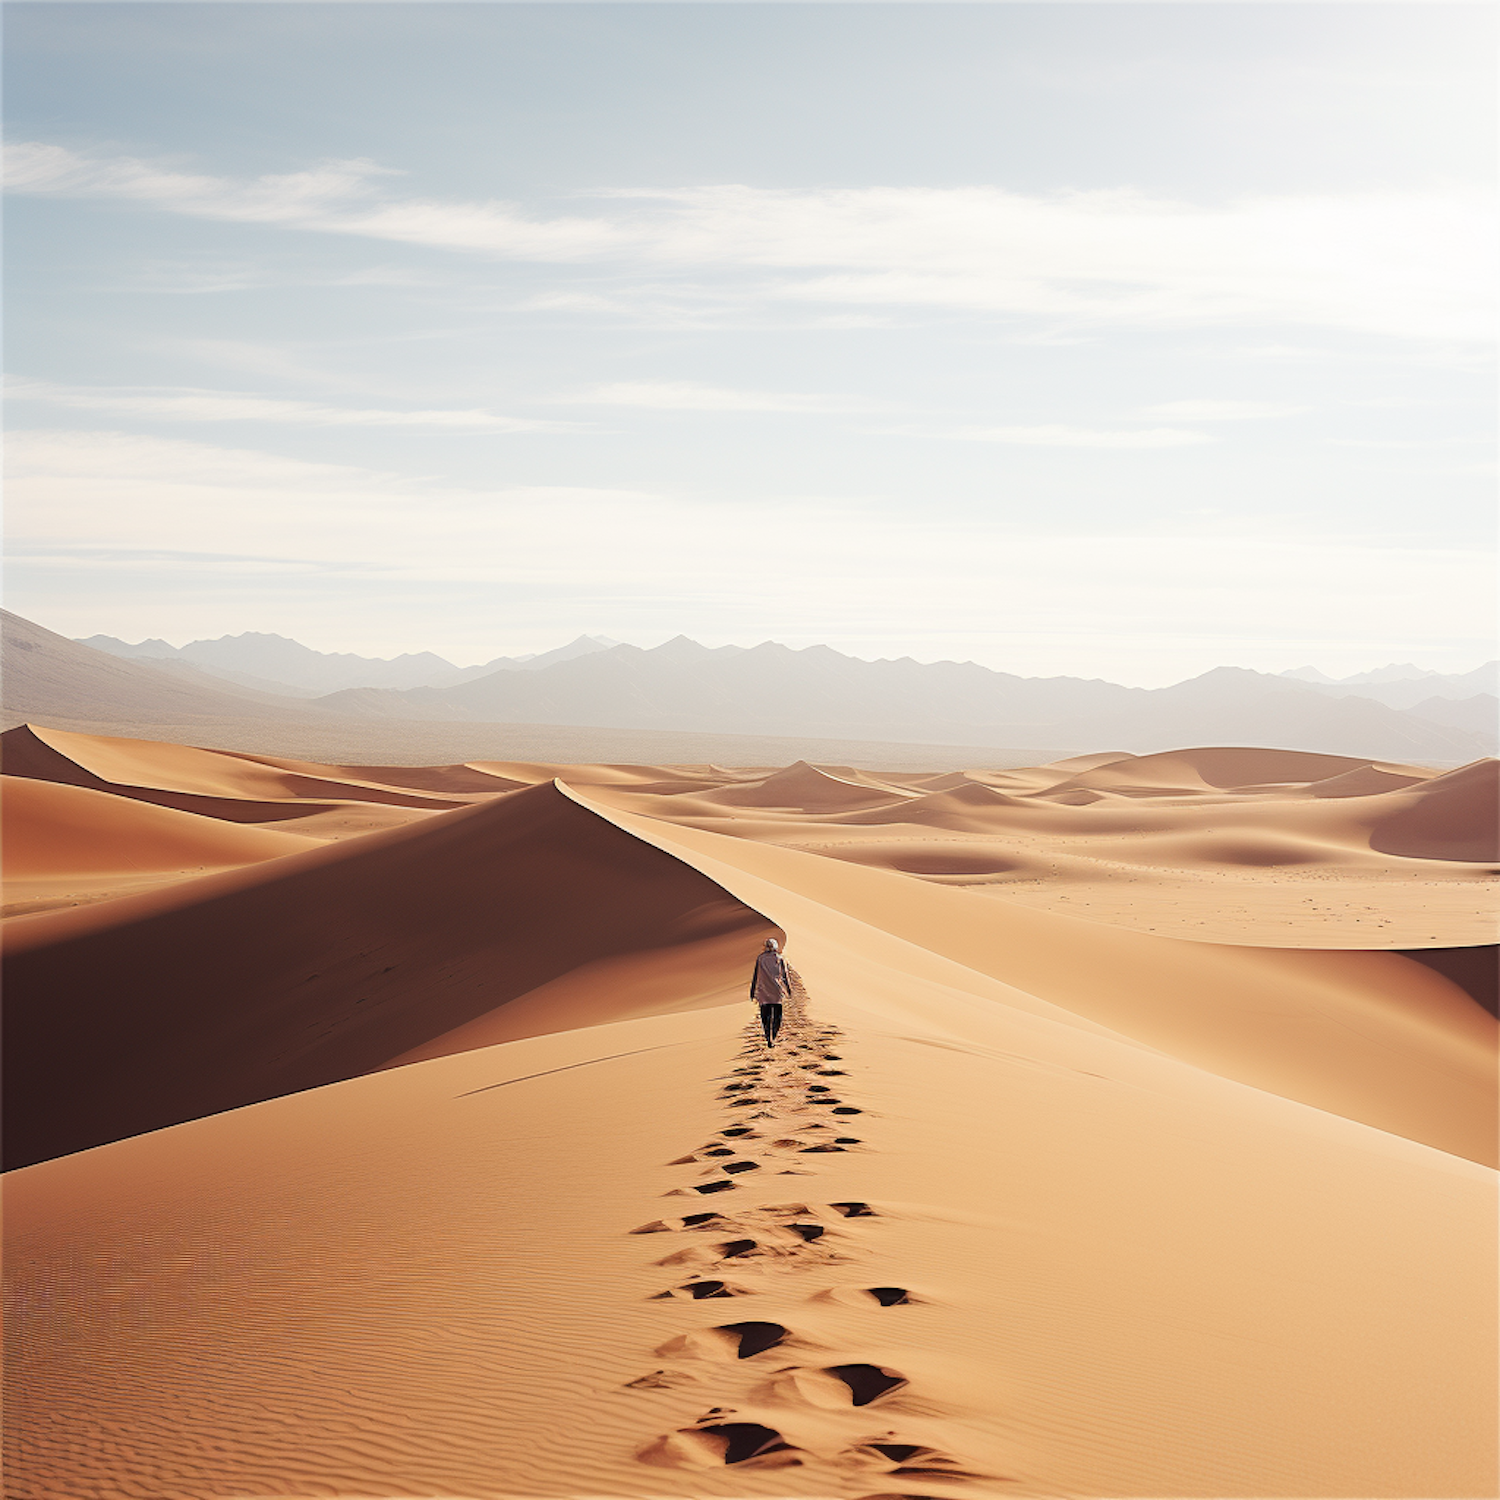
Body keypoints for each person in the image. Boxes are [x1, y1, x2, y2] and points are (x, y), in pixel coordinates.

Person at [750, 937, 790, 1045]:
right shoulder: (780, 958)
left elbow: (755, 976)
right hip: (777, 991)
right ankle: (774, 1036)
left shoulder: (760, 958)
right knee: (777, 1016)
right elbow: (785, 976)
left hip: (763, 992)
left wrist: (752, 990)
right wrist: (788, 989)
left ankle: (768, 1037)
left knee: (765, 1016)